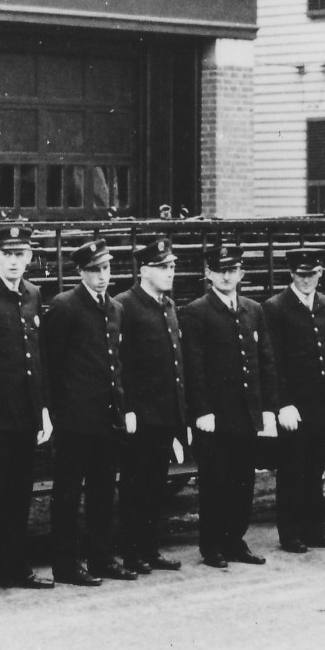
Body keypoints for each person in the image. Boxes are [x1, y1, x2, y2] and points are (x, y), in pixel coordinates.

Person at [0, 223, 54, 592]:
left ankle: (15, 568)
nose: (14, 261)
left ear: (30, 256)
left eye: (21, 254)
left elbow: (37, 355)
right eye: (8, 254)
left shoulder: (32, 293)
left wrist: (43, 409)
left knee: (19, 494)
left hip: (25, 414)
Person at [179, 239, 271, 569]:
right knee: (215, 482)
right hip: (215, 417)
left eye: (232, 270)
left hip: (246, 414)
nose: (226, 276)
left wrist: (267, 408)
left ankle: (235, 540)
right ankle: (213, 545)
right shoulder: (196, 311)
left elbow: (264, 360)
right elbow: (194, 366)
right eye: (220, 271)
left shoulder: (253, 310)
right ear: (208, 274)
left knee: (243, 481)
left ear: (241, 273)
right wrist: (202, 411)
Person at [42, 235, 124, 587]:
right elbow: (51, 364)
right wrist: (58, 413)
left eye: (106, 269)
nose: (102, 276)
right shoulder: (65, 306)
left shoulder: (114, 308)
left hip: (107, 418)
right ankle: (66, 564)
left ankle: (101, 557)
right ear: (81, 272)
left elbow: (115, 363)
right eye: (95, 270)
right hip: (75, 421)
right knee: (68, 494)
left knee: (103, 491)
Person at [112, 235, 188, 578]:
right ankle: (132, 552)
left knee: (156, 485)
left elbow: (175, 363)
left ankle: (150, 548)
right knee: (135, 486)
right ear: (144, 270)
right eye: (162, 267)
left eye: (172, 266)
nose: (170, 272)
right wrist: (128, 409)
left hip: (165, 414)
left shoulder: (168, 305)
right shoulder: (125, 305)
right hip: (140, 416)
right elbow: (121, 363)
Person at [261, 249, 325, 553]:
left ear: (320, 273)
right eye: (300, 274)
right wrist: (282, 403)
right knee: (292, 470)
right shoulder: (276, 307)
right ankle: (290, 533)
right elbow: (273, 360)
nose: (306, 280)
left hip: (322, 405)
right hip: (294, 408)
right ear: (291, 274)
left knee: (315, 470)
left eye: (311, 274)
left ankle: (315, 529)